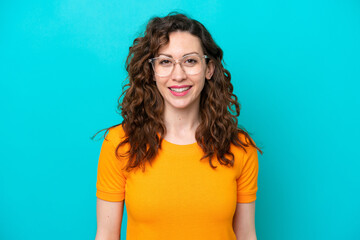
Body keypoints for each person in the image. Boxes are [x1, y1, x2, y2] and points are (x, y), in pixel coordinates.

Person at [93, 12, 262, 240]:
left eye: (190, 61)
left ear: (209, 69)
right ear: (152, 71)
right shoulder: (120, 144)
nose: (178, 75)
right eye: (165, 62)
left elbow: (246, 235)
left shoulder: (240, 148)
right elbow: (106, 236)